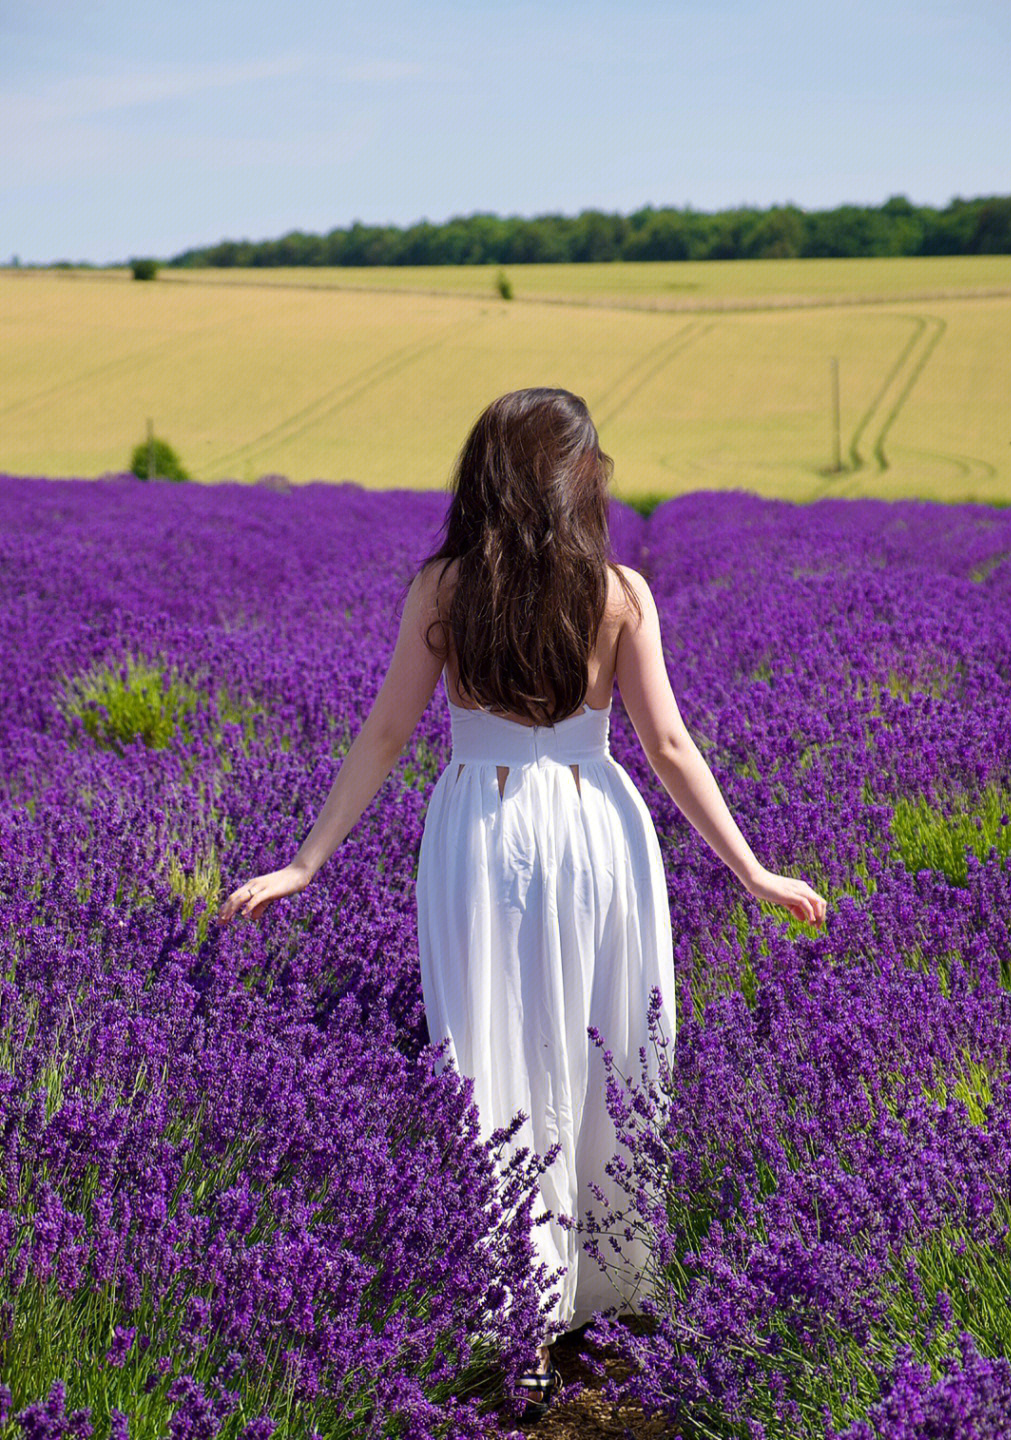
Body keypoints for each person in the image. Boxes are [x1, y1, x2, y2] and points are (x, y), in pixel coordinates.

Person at [218, 387, 827, 1424]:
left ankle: (519, 1321)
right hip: (597, 832)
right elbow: (670, 748)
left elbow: (382, 735)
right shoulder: (620, 591)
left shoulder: (445, 589)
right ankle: (604, 1303)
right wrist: (753, 871)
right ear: (574, 480)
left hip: (483, 835)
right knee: (610, 1055)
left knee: (491, 1059)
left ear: (489, 477)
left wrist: (308, 861)